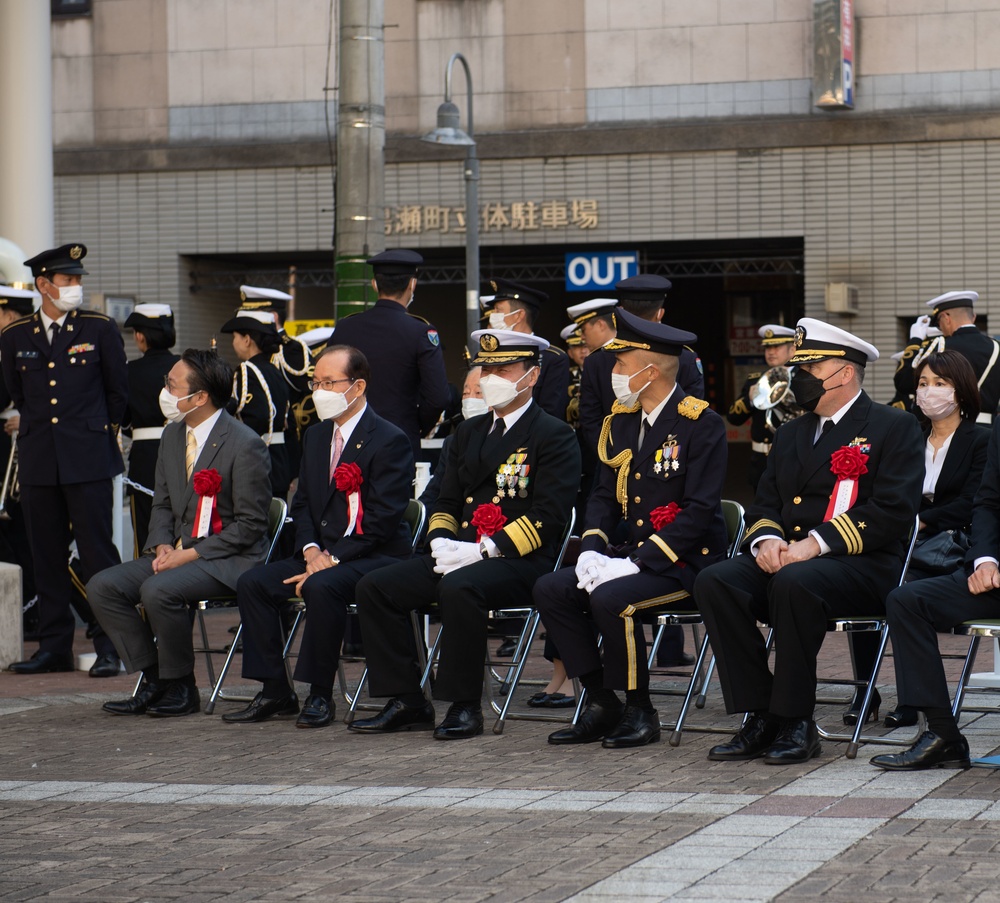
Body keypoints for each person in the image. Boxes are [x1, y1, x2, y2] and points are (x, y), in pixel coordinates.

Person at [694, 318, 923, 764]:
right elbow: (765, 502)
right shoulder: (792, 431)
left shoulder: (893, 427)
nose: (798, 378)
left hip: (862, 565)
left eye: (811, 367)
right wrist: (767, 542)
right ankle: (760, 714)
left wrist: (813, 544)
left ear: (845, 373)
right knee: (717, 581)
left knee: (794, 583)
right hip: (792, 561)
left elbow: (892, 511)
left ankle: (796, 720)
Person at [348, 329, 580, 740]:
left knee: (459, 588)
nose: (491, 378)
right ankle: (406, 699)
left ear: (532, 376)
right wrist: (441, 541)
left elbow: (550, 516)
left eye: (503, 369)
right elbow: (446, 500)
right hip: (461, 554)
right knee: (375, 587)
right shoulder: (467, 434)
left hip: (521, 561)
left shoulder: (554, 435)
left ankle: (464, 706)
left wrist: (487, 550)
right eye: (486, 369)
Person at [533, 310, 728, 748]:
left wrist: (639, 562)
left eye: (621, 365)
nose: (613, 373)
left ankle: (641, 709)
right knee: (552, 588)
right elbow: (603, 494)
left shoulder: (701, 423)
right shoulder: (621, 420)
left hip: (683, 563)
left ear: (650, 371)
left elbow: (698, 512)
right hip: (631, 556)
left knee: (611, 598)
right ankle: (603, 701)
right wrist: (591, 548)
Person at [223, 345, 414, 729]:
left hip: (373, 555)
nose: (319, 390)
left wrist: (332, 559)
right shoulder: (315, 436)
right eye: (316, 381)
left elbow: (381, 520)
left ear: (358, 386)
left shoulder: (389, 439)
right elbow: (304, 504)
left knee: (322, 586)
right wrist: (311, 550)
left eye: (330, 382)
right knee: (254, 583)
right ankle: (275, 689)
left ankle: (319, 694)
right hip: (321, 554)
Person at [87, 348, 272, 717]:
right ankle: (156, 679)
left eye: (172, 386)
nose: (165, 393)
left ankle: (182, 686)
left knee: (158, 590)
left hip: (227, 558)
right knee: (102, 586)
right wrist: (159, 546)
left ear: (200, 397)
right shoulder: (173, 435)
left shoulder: (244, 443)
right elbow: (162, 503)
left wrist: (187, 555)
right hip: (176, 552)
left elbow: (251, 526)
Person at [1, 243, 127, 677]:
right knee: (46, 554)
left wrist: (94, 433)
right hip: (39, 460)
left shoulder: (99, 328)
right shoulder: (15, 337)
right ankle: (54, 646)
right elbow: (16, 396)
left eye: (77, 280)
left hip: (88, 458)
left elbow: (117, 394)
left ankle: (109, 644)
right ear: (43, 285)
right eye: (67, 280)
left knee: (97, 555)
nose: (74, 287)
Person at [869, 350, 988, 732]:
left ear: (961, 390)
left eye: (940, 383)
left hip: (956, 544)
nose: (928, 391)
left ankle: (912, 701)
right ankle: (865, 692)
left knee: (905, 592)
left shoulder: (981, 439)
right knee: (869, 583)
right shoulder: (908, 437)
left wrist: (922, 520)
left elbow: (975, 501)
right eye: (923, 384)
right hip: (907, 543)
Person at [332, 249, 449, 461]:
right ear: (412, 284)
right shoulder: (421, 331)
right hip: (399, 438)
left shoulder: (345, 327)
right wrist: (416, 425)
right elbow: (438, 397)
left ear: (374, 284)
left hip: (348, 438)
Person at [575, 275, 704, 457]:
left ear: (619, 311)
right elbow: (692, 416)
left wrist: (613, 457)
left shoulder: (596, 360)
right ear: (660, 313)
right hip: (669, 462)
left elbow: (590, 420)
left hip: (613, 464)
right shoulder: (684, 357)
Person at [123, 304, 180, 555]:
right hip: (184, 448)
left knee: (146, 529)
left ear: (140, 336)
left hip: (145, 455)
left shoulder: (129, 371)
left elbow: (123, 419)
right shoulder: (185, 366)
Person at [237, 286, 312, 476]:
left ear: (273, 316)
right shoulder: (251, 352)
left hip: (284, 446)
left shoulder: (292, 350)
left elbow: (308, 399)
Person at [895, 291, 1000, 425]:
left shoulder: (940, 345)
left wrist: (915, 340)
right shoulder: (996, 347)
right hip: (987, 429)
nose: (940, 327)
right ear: (973, 317)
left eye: (939, 321)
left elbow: (903, 382)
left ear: (946, 318)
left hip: (950, 427)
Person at [0, 286, 40, 630]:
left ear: (9, 315)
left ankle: (28, 608)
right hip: (11, 449)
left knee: (17, 532)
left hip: (18, 451)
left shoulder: (16, 347)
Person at [221, 308, 291, 500]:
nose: (233, 342)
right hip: (279, 460)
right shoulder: (275, 370)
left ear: (247, 339)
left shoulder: (247, 370)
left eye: (235, 337)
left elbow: (257, 417)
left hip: (257, 460)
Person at [480, 279, 570, 421]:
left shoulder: (552, 358)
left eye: (499, 310)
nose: (493, 316)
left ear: (518, 315)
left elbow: (551, 412)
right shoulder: (487, 352)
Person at [726, 324, 802, 491]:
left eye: (776, 346)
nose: (770, 351)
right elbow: (733, 417)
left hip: (795, 459)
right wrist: (750, 400)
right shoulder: (756, 380)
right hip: (762, 462)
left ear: (792, 350)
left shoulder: (804, 379)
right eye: (767, 347)